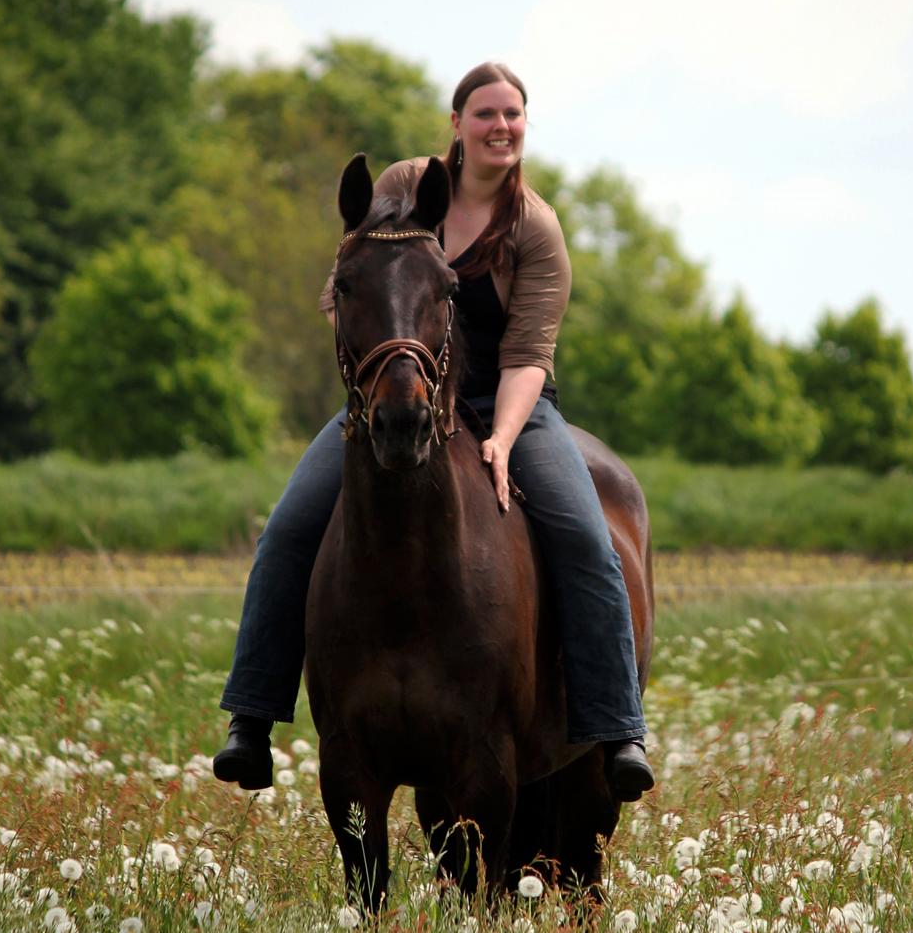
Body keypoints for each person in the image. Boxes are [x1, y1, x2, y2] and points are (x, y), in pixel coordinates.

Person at [213, 62, 654, 800]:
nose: (500, 127)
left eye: (512, 114)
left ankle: (617, 728)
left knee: (582, 535)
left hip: (505, 402)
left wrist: (502, 441)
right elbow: (349, 287)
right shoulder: (403, 186)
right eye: (484, 114)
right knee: (289, 527)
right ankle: (250, 718)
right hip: (397, 390)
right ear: (456, 124)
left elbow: (528, 355)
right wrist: (380, 382)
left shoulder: (535, 228)